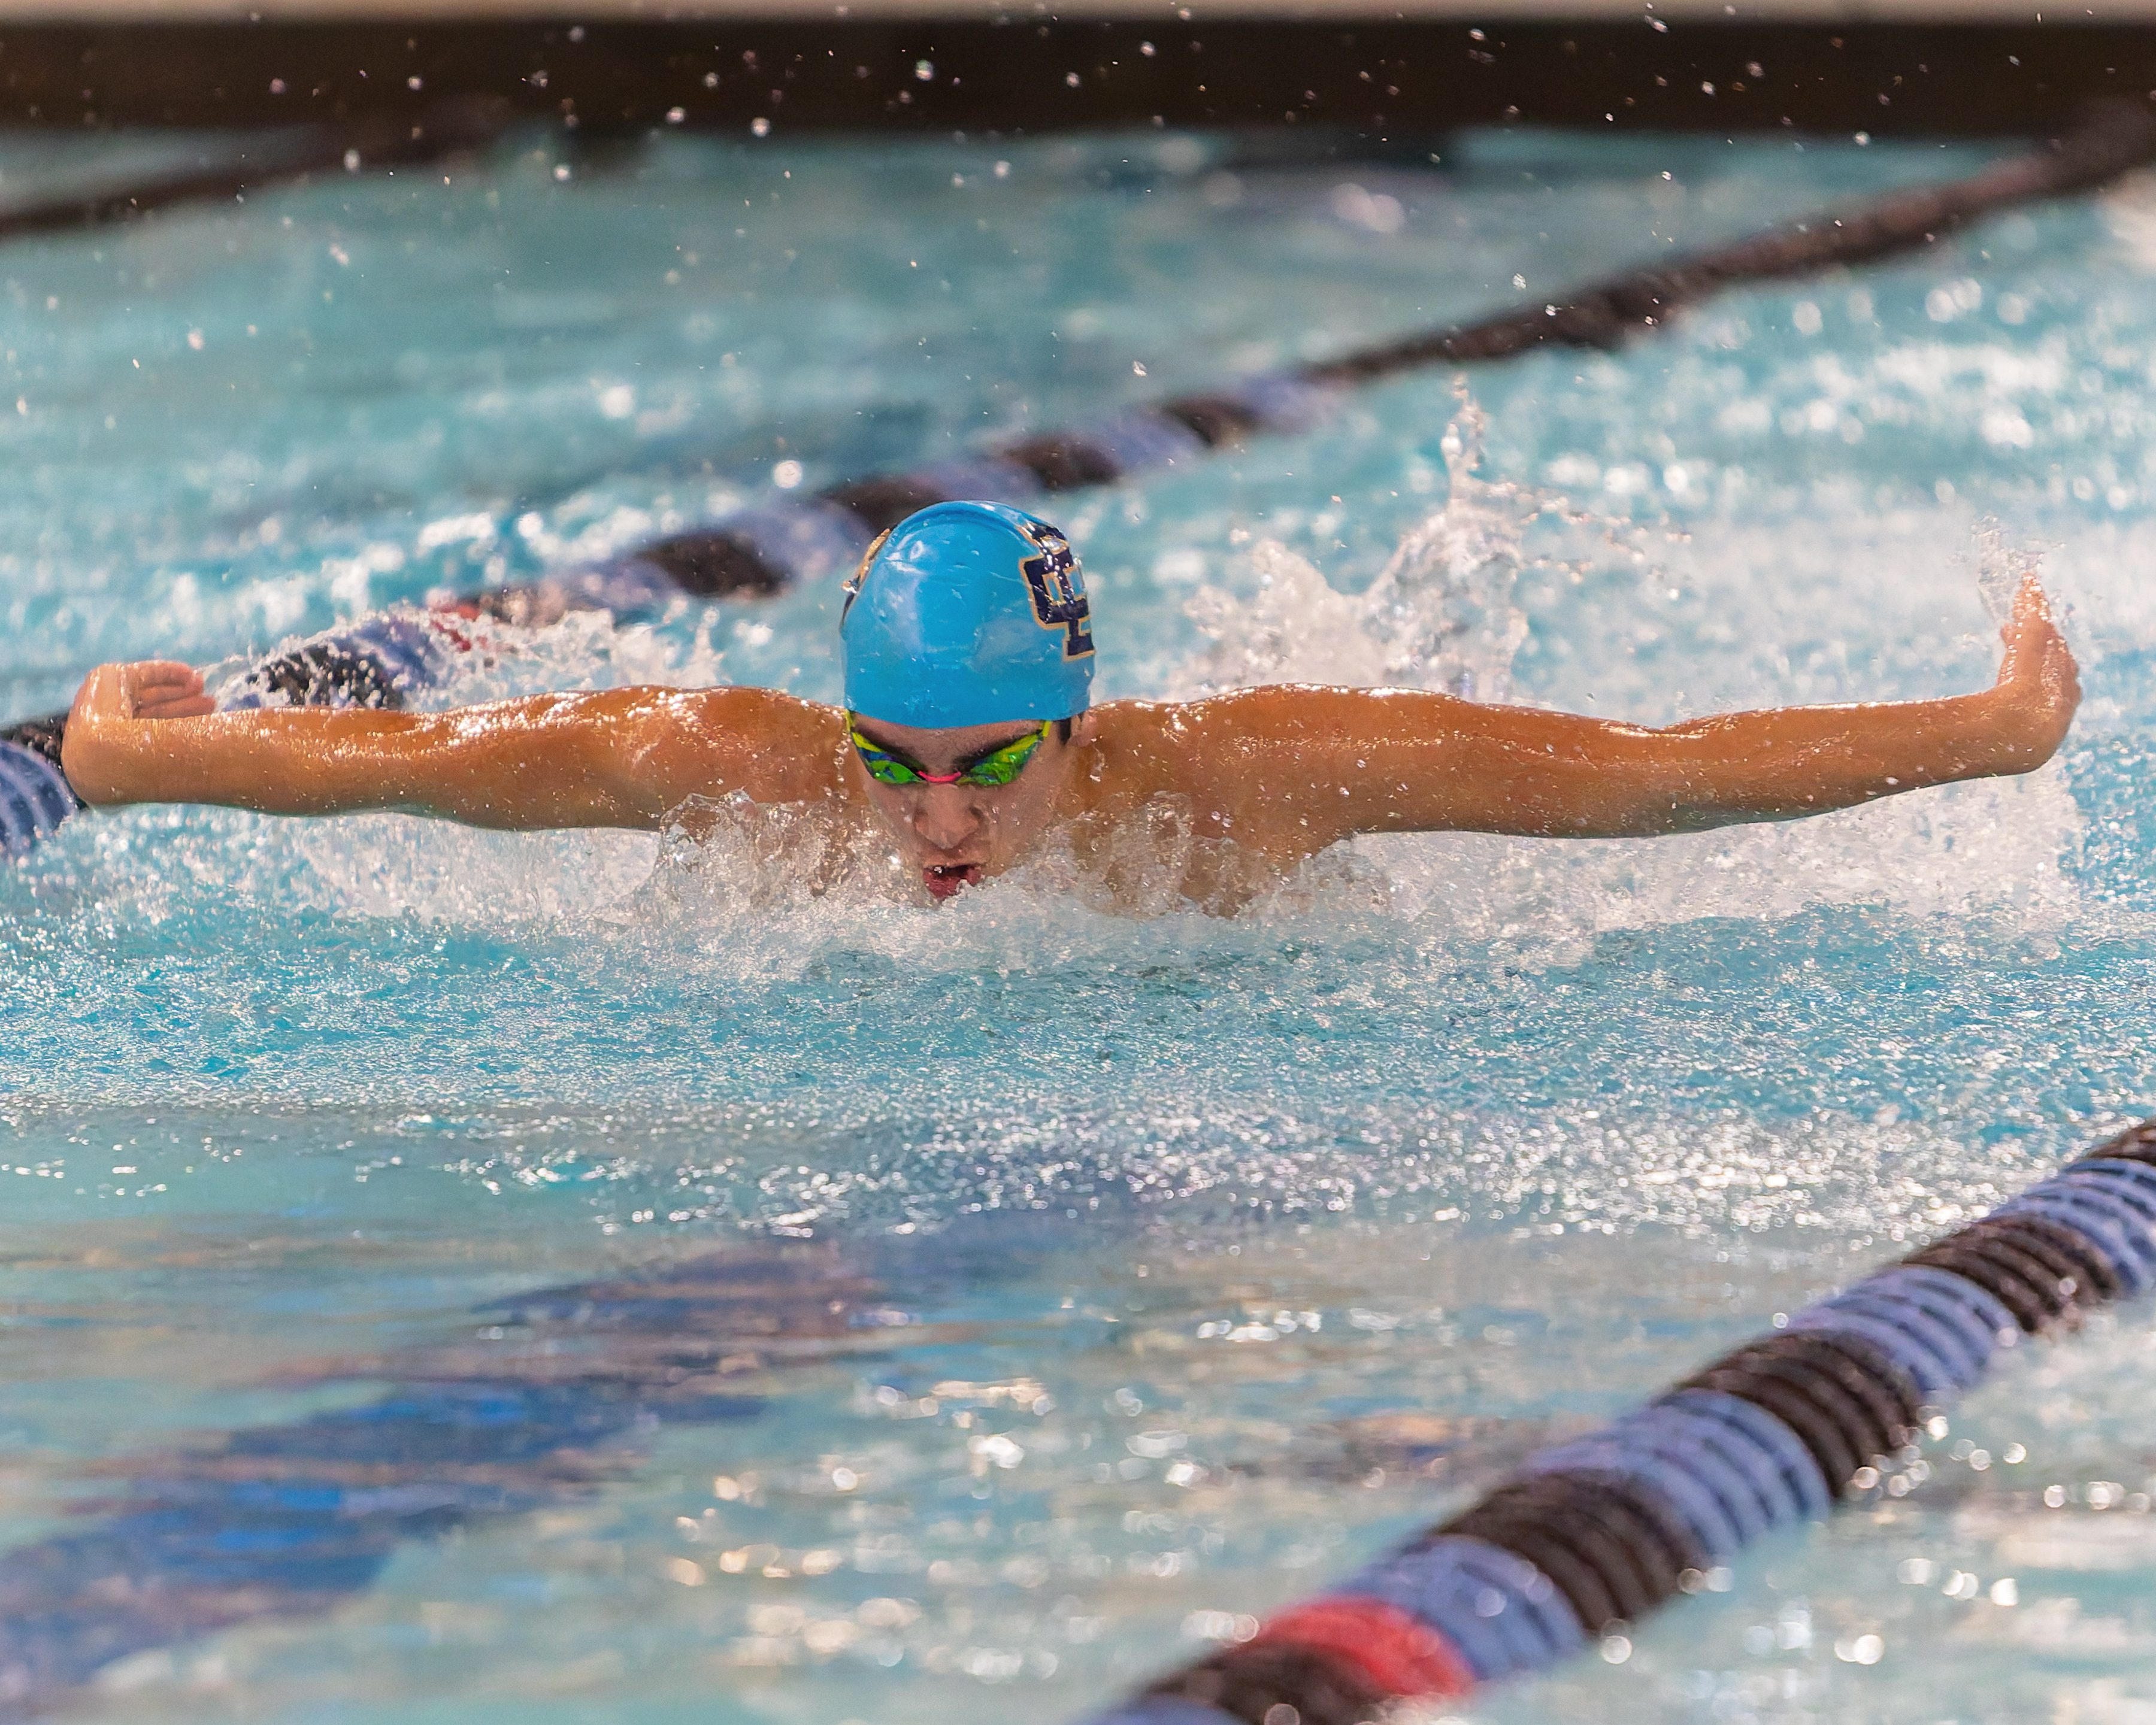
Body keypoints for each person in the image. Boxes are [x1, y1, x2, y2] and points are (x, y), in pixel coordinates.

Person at [59, 501, 2081, 913]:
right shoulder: (743, 771)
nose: (934, 819)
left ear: (1078, 724)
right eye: (895, 761)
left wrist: (1988, 728)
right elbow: (417, 768)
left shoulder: (1254, 784)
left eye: (986, 764)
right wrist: (134, 756)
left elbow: (1641, 781)